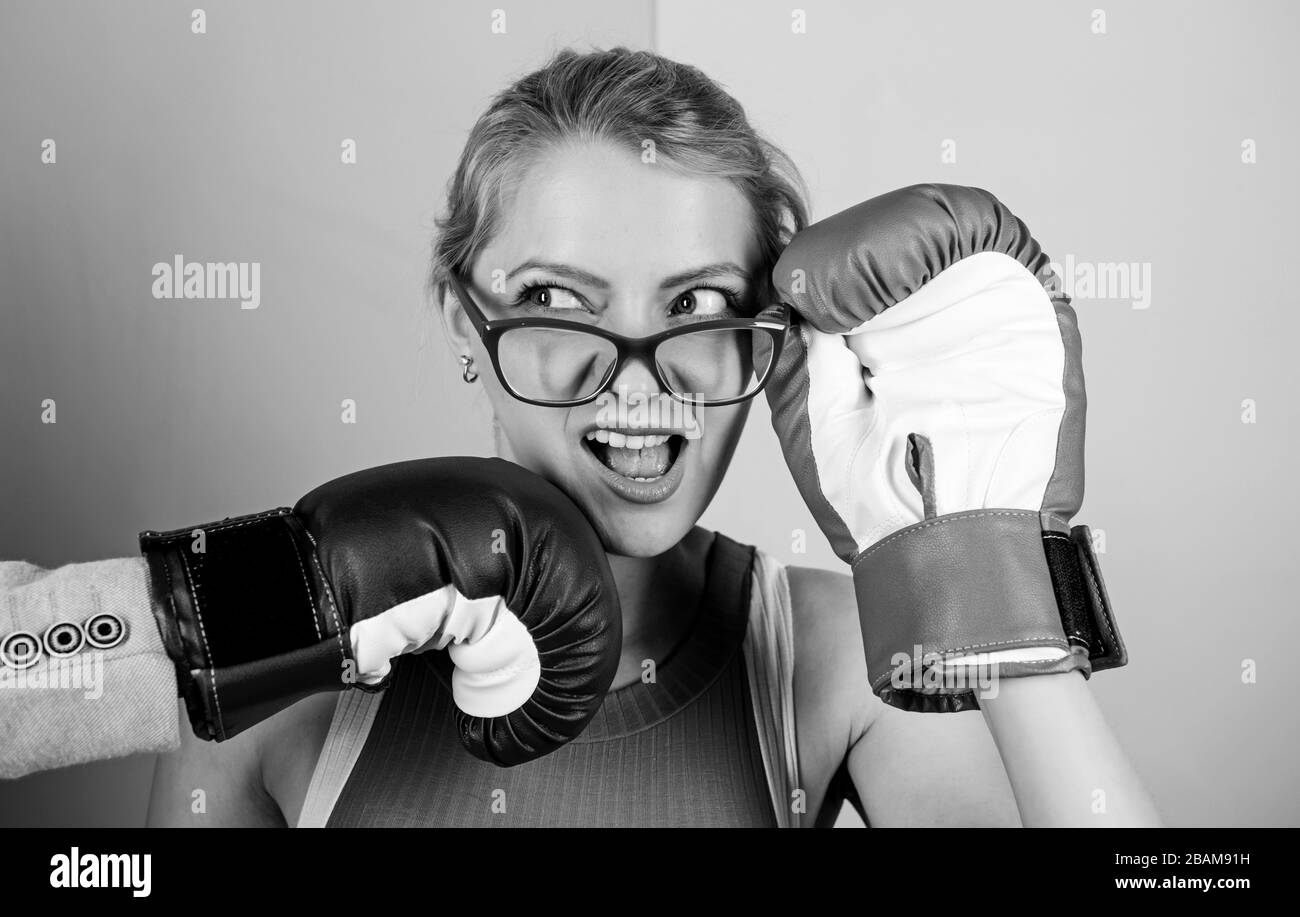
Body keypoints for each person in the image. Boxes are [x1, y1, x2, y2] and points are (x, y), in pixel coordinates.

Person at [6, 46, 1161, 827]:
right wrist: (236, 618)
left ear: (772, 339)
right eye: (559, 305)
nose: (638, 381)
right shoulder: (284, 657)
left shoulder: (834, 659)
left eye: (696, 308)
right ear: (470, 323)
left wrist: (988, 580)